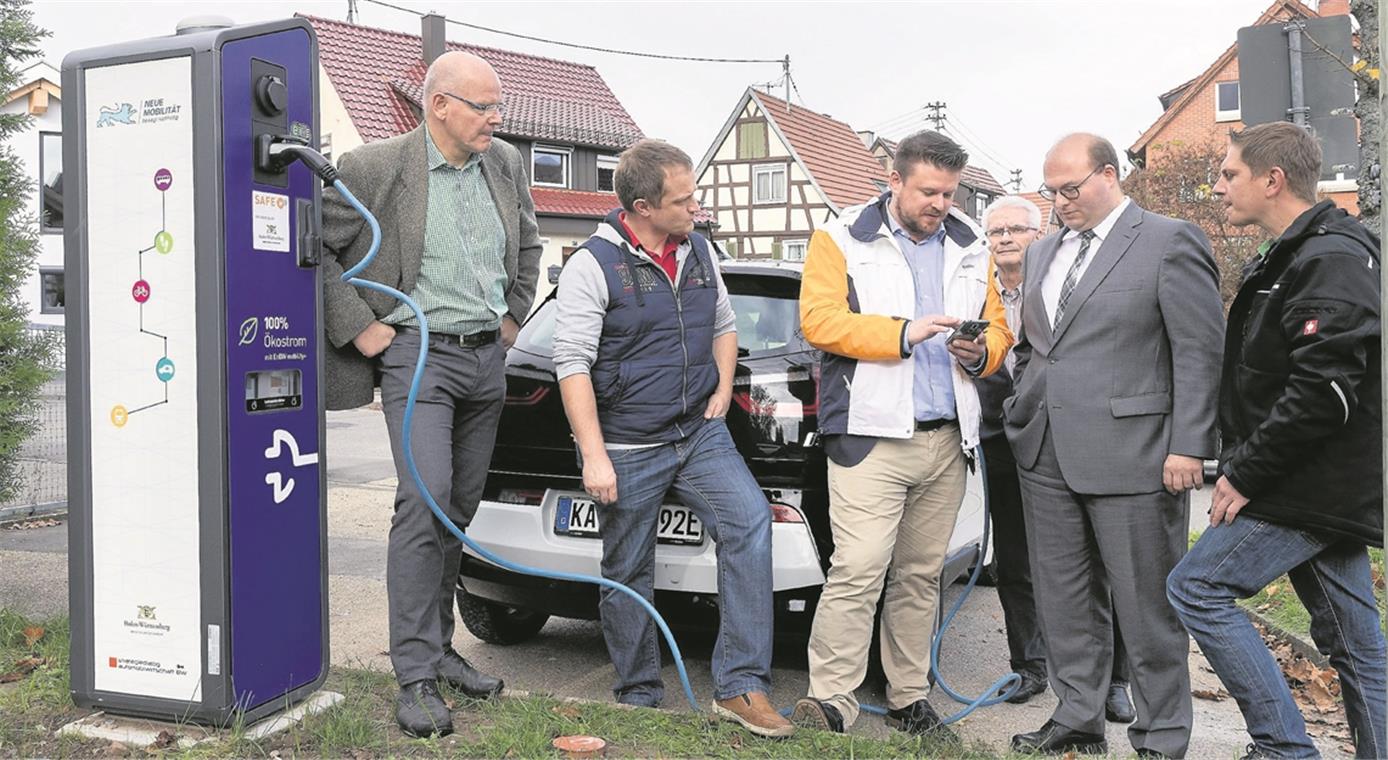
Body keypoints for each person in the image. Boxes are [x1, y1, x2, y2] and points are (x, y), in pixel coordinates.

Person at [320, 51, 542, 738]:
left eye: (498, 106)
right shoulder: (374, 167)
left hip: (485, 358)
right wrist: (362, 331)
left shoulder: (503, 163)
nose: (496, 119)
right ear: (439, 104)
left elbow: (529, 246)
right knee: (422, 507)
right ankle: (413, 676)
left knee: (457, 508)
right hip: (419, 358)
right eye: (484, 106)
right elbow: (316, 248)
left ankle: (442, 652)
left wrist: (512, 320)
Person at [552, 139, 794, 738]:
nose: (697, 208)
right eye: (684, 200)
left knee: (748, 521)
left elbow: (724, 324)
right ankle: (636, 693)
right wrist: (595, 456)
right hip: (629, 442)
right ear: (643, 206)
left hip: (697, 432)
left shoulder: (700, 251)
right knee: (627, 567)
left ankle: (741, 688)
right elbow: (572, 363)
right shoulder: (595, 264)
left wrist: (723, 384)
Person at [1167, 121, 1385, 760]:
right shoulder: (1295, 252)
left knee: (1197, 587)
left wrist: (1245, 473)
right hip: (1317, 484)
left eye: (1230, 174)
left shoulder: (1332, 256)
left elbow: (1326, 390)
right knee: (1353, 639)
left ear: (1273, 179)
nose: (1219, 187)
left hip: (1305, 485)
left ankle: (1283, 749)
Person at [1003, 133, 1223, 757]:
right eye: (1051, 192)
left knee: (1146, 604)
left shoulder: (1168, 240)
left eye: (1070, 189)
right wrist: (1022, 403)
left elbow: (1200, 351)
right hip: (1045, 451)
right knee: (1064, 598)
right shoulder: (1043, 252)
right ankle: (1077, 717)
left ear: (1109, 174)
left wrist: (1191, 446)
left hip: (1138, 453)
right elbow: (1036, 345)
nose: (1059, 202)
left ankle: (1161, 734)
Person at [790, 130, 1013, 737]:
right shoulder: (839, 237)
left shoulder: (971, 245)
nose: (940, 204)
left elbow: (999, 333)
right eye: (927, 192)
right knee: (858, 567)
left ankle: (909, 695)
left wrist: (978, 352)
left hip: (946, 439)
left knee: (919, 574)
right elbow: (819, 321)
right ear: (894, 181)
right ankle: (831, 698)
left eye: (948, 193)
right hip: (871, 436)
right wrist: (903, 333)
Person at [976, 195, 1137, 722]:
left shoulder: (1064, 275)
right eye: (995, 230)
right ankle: (1029, 664)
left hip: (1071, 434)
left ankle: (1114, 679)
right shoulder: (975, 289)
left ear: (1039, 231)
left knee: (1096, 561)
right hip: (1003, 437)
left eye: (1015, 229)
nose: (1004, 239)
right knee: (1015, 561)